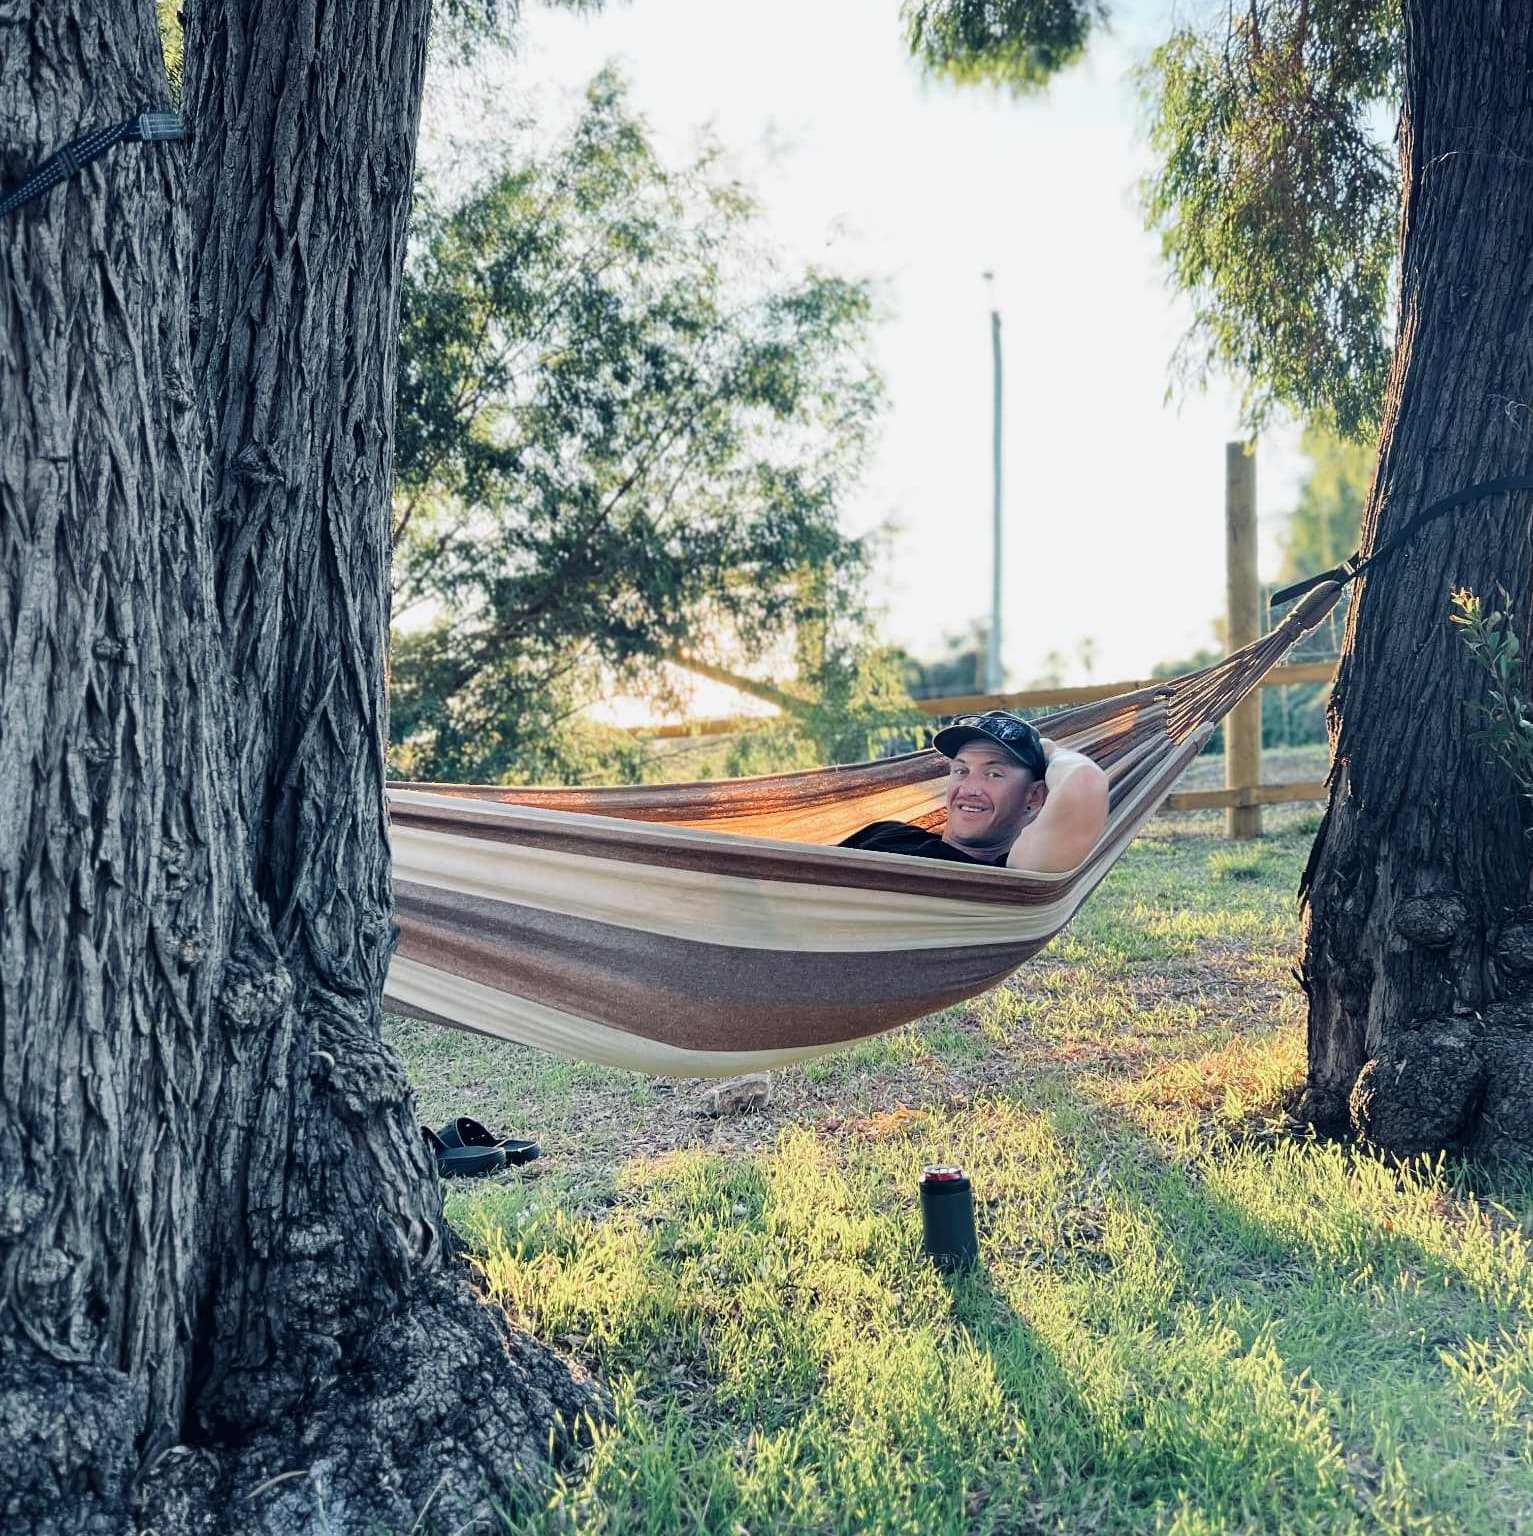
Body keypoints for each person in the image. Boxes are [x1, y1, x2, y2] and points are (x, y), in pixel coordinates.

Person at [840, 710, 1109, 873]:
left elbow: (1084, 783)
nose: (969, 788)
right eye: (961, 770)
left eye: (993, 774)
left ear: (1034, 796)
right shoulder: (889, 832)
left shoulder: (1009, 873)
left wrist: (1048, 748)